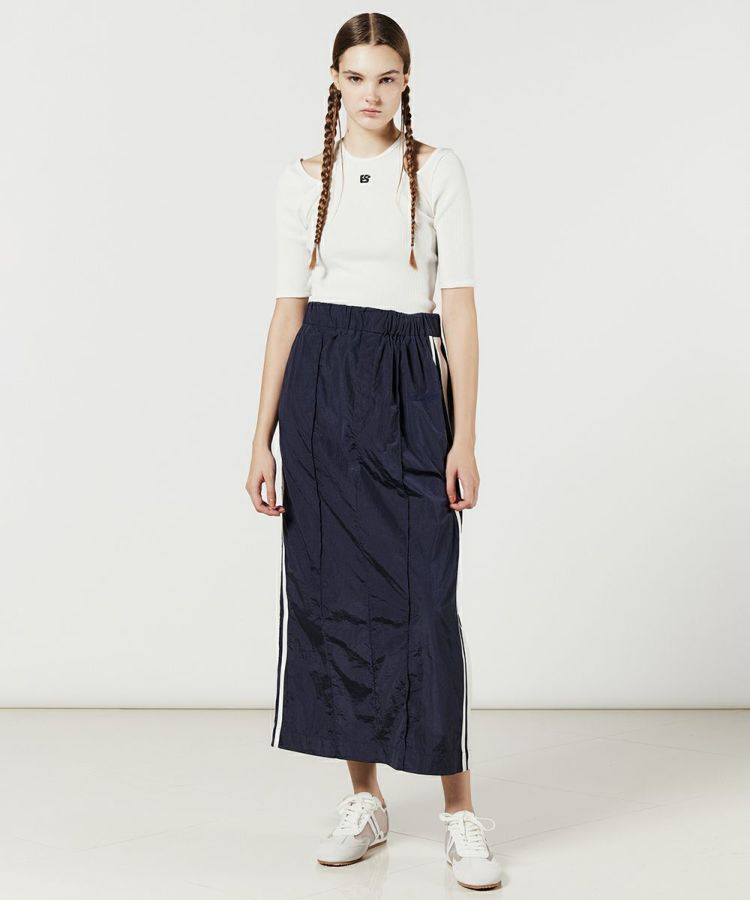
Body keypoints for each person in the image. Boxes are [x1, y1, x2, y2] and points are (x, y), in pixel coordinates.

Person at [246, 12, 501, 892]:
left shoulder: (437, 170)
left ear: (406, 81)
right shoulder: (301, 181)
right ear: (334, 81)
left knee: (426, 603)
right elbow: (287, 313)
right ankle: (365, 797)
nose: (371, 93)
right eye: (355, 77)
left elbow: (459, 307)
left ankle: (460, 810)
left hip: (408, 384)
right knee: (336, 599)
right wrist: (259, 438)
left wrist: (464, 434)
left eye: (385, 77)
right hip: (321, 388)